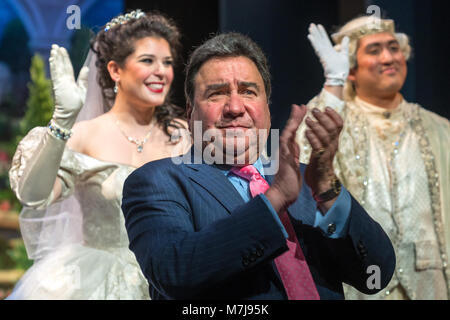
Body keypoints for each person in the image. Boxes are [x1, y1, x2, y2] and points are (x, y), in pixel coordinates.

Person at [121, 32, 395, 300]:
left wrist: (328, 189)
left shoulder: (309, 179)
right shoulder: (157, 181)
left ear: (266, 107)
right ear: (191, 112)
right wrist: (274, 199)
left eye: (248, 91)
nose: (235, 107)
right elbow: (174, 274)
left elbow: (376, 276)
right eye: (216, 94)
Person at [7, 10, 191, 299]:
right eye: (147, 61)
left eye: (167, 62)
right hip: (94, 282)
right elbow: (34, 195)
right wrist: (62, 122)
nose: (162, 72)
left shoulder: (184, 135)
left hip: (172, 276)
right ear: (115, 70)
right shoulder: (84, 134)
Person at [296, 16, 450, 299]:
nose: (389, 57)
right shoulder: (339, 118)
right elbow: (307, 156)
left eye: (394, 48)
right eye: (375, 50)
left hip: (431, 284)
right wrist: (334, 82)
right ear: (352, 69)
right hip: (365, 284)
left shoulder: (438, 128)